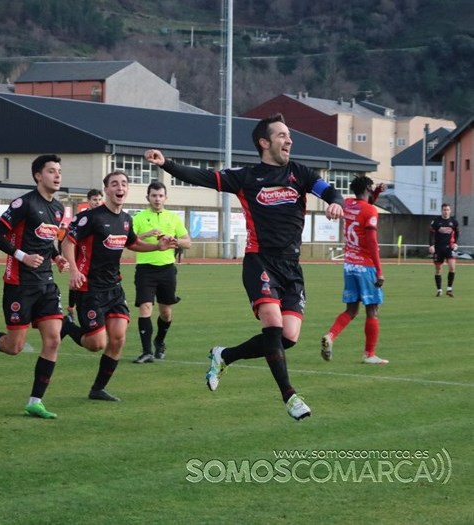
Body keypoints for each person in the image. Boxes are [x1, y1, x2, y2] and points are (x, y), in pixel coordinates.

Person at [145, 113, 344, 420]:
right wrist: (167, 164)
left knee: (288, 337)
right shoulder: (247, 177)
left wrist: (336, 202)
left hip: (291, 267)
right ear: (264, 142)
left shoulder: (300, 173)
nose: (289, 140)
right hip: (259, 261)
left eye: (289, 135)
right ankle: (289, 396)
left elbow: (328, 190)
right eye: (281, 135)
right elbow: (203, 177)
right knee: (273, 325)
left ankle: (224, 355)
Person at [0, 154, 69, 419]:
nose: (57, 175)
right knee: (14, 347)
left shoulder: (58, 208)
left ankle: (35, 401)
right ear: (38, 176)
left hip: (46, 283)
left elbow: (47, 240)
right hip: (19, 284)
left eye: (59, 171)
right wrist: (22, 256)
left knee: (53, 340)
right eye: (51, 171)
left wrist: (57, 257)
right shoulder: (24, 203)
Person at [60, 170, 176, 402]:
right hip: (90, 288)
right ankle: (67, 325)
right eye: (114, 184)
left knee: (118, 338)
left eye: (123, 183)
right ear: (106, 189)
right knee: (96, 343)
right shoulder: (91, 217)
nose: (120, 187)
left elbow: (132, 243)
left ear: (127, 189)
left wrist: (157, 247)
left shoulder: (125, 220)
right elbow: (67, 241)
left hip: (114, 288)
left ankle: (97, 389)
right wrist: (73, 269)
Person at [321, 176, 388, 365]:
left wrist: (376, 192)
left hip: (350, 264)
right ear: (367, 188)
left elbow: (365, 203)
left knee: (351, 309)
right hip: (366, 265)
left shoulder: (348, 204)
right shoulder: (370, 210)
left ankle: (330, 335)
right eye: (371, 187)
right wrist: (379, 271)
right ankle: (369, 354)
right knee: (372, 310)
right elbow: (372, 242)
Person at [131, 181, 191, 363]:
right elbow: (129, 240)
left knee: (166, 312)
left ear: (165, 198)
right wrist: (147, 234)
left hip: (167, 270)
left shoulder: (173, 218)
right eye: (154, 195)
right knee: (145, 307)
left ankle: (159, 341)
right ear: (147, 197)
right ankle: (146, 352)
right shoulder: (138, 218)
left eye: (160, 195)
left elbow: (188, 242)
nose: (157, 199)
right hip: (145, 270)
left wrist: (175, 240)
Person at [62, 189, 103, 319]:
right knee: (76, 282)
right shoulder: (80, 217)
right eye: (94, 200)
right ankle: (71, 309)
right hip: (81, 253)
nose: (97, 202)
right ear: (88, 201)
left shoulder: (105, 216)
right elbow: (68, 236)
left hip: (98, 257)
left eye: (99, 199)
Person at [429, 203, 459, 297]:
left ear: (450, 211)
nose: (446, 211)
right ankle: (439, 290)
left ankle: (449, 289)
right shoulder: (436, 221)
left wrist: (455, 243)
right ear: (441, 211)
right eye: (444, 210)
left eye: (447, 210)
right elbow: (431, 234)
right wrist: (431, 245)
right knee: (438, 269)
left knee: (452, 267)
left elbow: (457, 233)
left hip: (449, 247)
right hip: (438, 248)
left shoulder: (454, 222)